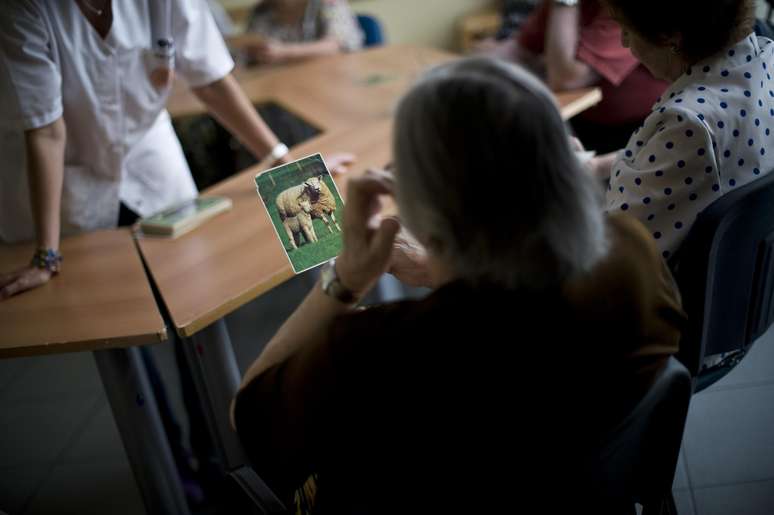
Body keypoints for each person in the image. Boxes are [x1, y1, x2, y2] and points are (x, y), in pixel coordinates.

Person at [231, 57, 685, 512]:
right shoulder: (632, 255)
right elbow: (518, 310)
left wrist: (346, 277)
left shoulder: (375, 351)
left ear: (423, 211)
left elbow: (250, 419)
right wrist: (436, 268)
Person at [593, 0, 771, 261]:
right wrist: (598, 167)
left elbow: (615, 259)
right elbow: (699, 165)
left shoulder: (690, 123)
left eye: (627, 30)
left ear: (670, 37)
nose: (624, 43)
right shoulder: (764, 61)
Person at [479, 0, 668, 153]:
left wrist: (566, 3)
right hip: (579, 121)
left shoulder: (623, 7)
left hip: (633, 135)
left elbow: (567, 79)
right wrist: (462, 71)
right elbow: (521, 50)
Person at [239, 0, 364, 66]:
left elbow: (337, 45)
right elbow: (248, 53)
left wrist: (284, 52)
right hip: (280, 83)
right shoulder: (261, 11)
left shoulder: (327, 2)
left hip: (331, 78)